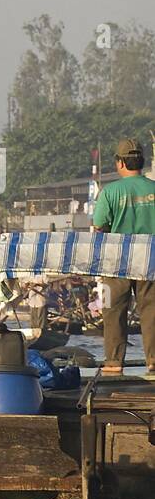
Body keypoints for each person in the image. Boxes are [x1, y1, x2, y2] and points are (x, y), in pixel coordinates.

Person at [94, 138, 155, 374]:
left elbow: (99, 226)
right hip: (150, 258)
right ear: (141, 161)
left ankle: (113, 361)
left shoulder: (110, 192)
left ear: (120, 162)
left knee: (113, 310)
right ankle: (153, 360)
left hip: (115, 260)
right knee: (151, 311)